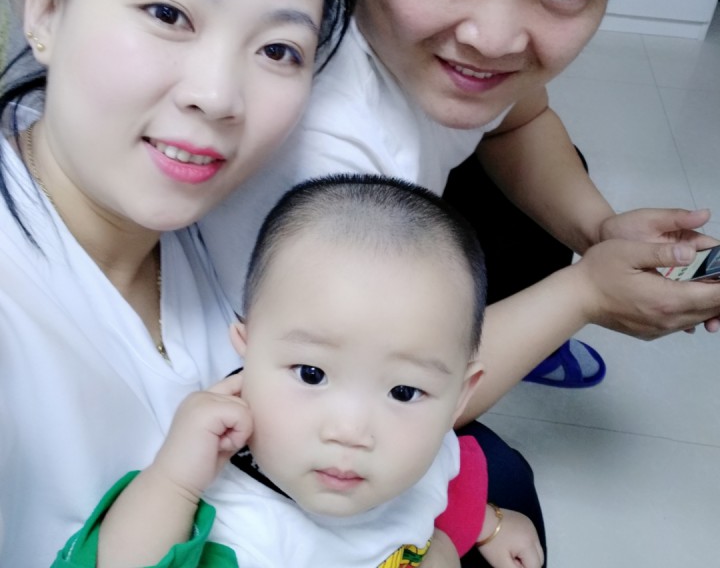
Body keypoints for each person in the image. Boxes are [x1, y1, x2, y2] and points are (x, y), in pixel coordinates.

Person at [200, 0, 720, 414]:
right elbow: (366, 394)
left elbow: (519, 121)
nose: (495, 41)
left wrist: (600, 232)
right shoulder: (320, 147)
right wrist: (583, 295)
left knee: (547, 177)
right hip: (298, 370)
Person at [0, 0, 354, 564]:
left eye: (278, 51)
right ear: (46, 8)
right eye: (168, 13)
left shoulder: (237, 230)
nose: (218, 96)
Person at [54, 175, 545, 568]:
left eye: (402, 391)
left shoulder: (423, 450)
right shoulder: (229, 521)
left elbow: (437, 487)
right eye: (311, 374)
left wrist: (485, 525)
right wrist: (174, 481)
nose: (350, 431)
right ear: (247, 350)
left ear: (459, 395)